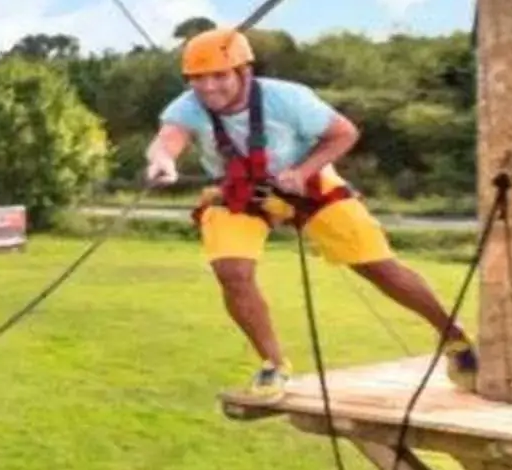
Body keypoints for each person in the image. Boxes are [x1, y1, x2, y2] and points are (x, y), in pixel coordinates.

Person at [143, 26, 475, 402]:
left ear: (244, 72)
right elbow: (168, 139)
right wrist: (162, 161)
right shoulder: (188, 106)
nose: (208, 87)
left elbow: (344, 133)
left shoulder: (288, 99)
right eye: (198, 79)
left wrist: (302, 172)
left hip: (309, 181)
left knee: (376, 265)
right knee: (231, 271)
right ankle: (273, 365)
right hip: (240, 190)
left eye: (219, 76)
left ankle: (454, 337)